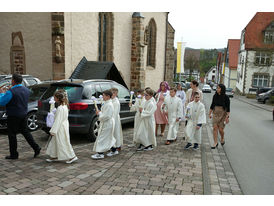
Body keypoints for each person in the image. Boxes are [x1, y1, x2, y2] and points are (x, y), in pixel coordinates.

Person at [0, 73, 41, 160]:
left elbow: (2, 102)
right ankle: (36, 147)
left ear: (13, 81)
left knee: (12, 135)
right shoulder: (26, 90)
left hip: (13, 115)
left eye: (12, 80)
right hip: (23, 113)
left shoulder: (10, 92)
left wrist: (2, 93)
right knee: (25, 132)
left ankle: (14, 154)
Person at [46, 90, 78, 164]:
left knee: (62, 142)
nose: (53, 98)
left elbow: (58, 120)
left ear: (58, 98)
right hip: (62, 125)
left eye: (54, 97)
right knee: (55, 142)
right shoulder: (64, 106)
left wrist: (53, 130)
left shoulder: (60, 108)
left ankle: (72, 156)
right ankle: (54, 155)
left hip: (60, 127)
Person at [91, 90, 116, 159]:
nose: (103, 97)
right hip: (106, 122)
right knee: (108, 137)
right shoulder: (106, 103)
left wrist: (99, 114)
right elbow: (105, 113)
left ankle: (100, 153)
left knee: (102, 138)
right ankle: (114, 150)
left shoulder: (109, 105)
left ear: (108, 96)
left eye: (104, 95)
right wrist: (100, 112)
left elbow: (107, 116)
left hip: (108, 123)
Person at [209, 84, 230, 149]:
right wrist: (209, 113)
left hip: (223, 114)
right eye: (217, 88)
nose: (217, 89)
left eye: (218, 88)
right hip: (215, 113)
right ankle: (215, 142)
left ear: (222, 89)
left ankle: (222, 137)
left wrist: (227, 117)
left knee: (220, 129)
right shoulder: (215, 96)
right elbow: (212, 105)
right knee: (215, 128)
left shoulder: (226, 97)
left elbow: (228, 108)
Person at [109, 87, 123, 155]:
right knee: (113, 133)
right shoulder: (111, 100)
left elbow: (115, 112)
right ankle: (112, 145)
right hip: (112, 118)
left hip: (114, 119)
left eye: (113, 93)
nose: (112, 94)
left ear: (116, 94)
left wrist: (112, 121)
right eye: (111, 93)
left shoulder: (116, 102)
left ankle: (117, 146)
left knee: (116, 132)